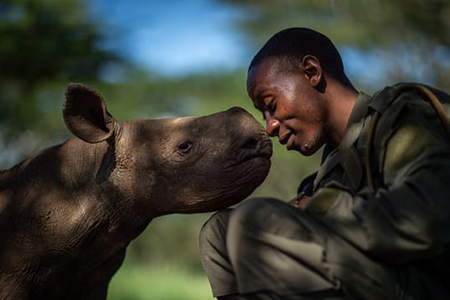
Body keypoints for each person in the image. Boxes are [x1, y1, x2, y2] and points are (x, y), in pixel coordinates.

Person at [198, 27, 450, 300]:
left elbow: (427, 220)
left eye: (271, 104)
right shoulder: (330, 167)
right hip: (381, 278)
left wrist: (325, 208)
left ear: (311, 72)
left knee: (256, 221)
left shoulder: (404, 113)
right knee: (219, 230)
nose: (269, 126)